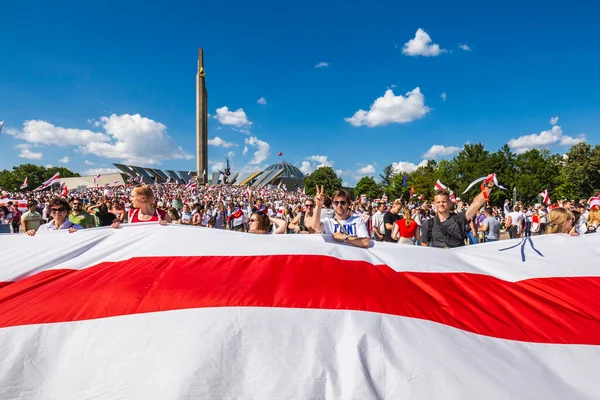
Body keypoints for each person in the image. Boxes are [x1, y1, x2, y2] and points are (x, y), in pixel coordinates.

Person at [421, 184, 493, 249]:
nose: (441, 204)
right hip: (439, 262)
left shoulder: (459, 218)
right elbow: (425, 249)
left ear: (449, 202)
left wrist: (489, 186)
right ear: (434, 204)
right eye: (438, 202)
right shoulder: (429, 224)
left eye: (444, 202)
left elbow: (476, 203)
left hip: (458, 261)